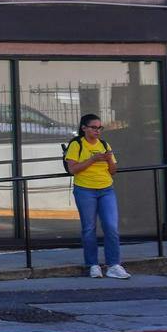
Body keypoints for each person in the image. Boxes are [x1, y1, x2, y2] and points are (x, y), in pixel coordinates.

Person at [65, 113, 130, 279]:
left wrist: (109, 160)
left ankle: (114, 265)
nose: (97, 131)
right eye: (93, 127)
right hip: (85, 190)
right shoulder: (77, 144)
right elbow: (73, 169)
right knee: (89, 228)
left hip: (106, 189)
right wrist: (93, 159)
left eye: (100, 127)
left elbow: (113, 171)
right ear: (84, 128)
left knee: (111, 227)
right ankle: (92, 265)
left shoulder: (104, 144)